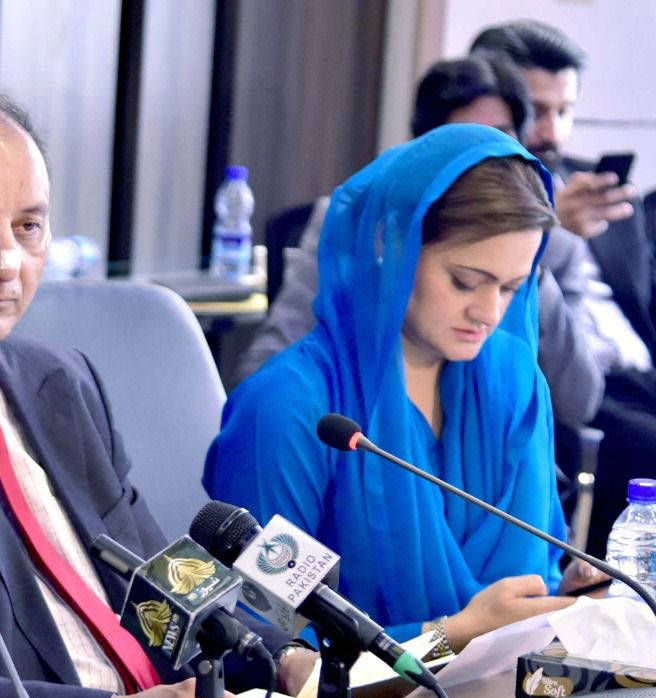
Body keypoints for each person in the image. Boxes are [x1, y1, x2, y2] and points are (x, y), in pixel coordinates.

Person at [0, 79, 315, 698]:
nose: (5, 261)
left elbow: (167, 576)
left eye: (29, 227)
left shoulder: (61, 380)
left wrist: (282, 659)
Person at [204, 124, 586, 652]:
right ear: (392, 245)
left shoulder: (515, 389)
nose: (488, 312)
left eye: (511, 288)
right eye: (464, 281)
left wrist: (565, 595)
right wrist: (449, 637)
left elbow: (537, 566)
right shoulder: (290, 410)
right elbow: (262, 642)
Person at [234, 54, 605, 434]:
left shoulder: (552, 243)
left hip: (498, 445)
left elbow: (581, 400)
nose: (482, 163)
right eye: (463, 280)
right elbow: (266, 366)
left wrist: (523, 270)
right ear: (423, 151)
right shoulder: (359, 227)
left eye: (498, 142)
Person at [472, 19, 656, 559]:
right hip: (576, 388)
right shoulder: (477, 203)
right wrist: (550, 229)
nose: (551, 132)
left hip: (640, 375)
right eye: (537, 110)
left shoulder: (603, 188)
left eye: (565, 111)